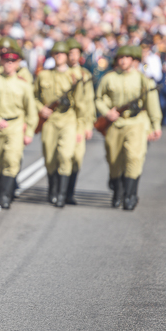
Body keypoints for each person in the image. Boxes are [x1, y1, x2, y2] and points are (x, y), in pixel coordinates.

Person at [94, 46, 162, 210]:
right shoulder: (108, 78)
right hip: (115, 124)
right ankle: (118, 192)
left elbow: (152, 103)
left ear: (133, 60)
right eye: (120, 57)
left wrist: (155, 125)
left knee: (134, 157)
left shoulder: (143, 79)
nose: (123, 60)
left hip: (136, 122)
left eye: (127, 57)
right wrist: (106, 112)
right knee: (114, 158)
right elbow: (98, 98)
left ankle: (130, 195)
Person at [0, 38, 37, 209]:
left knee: (12, 160)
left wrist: (29, 132)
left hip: (15, 126)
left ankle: (6, 195)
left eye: (13, 61)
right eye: (6, 60)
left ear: (18, 63)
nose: (9, 63)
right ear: (1, 61)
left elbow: (31, 110)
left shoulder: (23, 84)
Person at [33, 40, 90, 208]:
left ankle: (62, 194)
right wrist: (40, 109)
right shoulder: (43, 75)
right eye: (56, 54)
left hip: (69, 119)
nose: (59, 57)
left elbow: (81, 104)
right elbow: (34, 96)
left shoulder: (75, 77)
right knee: (50, 158)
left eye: (62, 54)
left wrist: (82, 127)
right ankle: (53, 190)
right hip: (50, 121)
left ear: (67, 56)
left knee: (65, 155)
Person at [65, 38, 94, 205]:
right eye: (70, 53)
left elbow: (89, 101)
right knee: (58, 158)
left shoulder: (85, 75)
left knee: (76, 157)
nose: (73, 56)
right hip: (62, 120)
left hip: (80, 122)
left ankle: (69, 193)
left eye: (76, 53)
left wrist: (88, 125)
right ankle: (58, 191)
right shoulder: (58, 73)